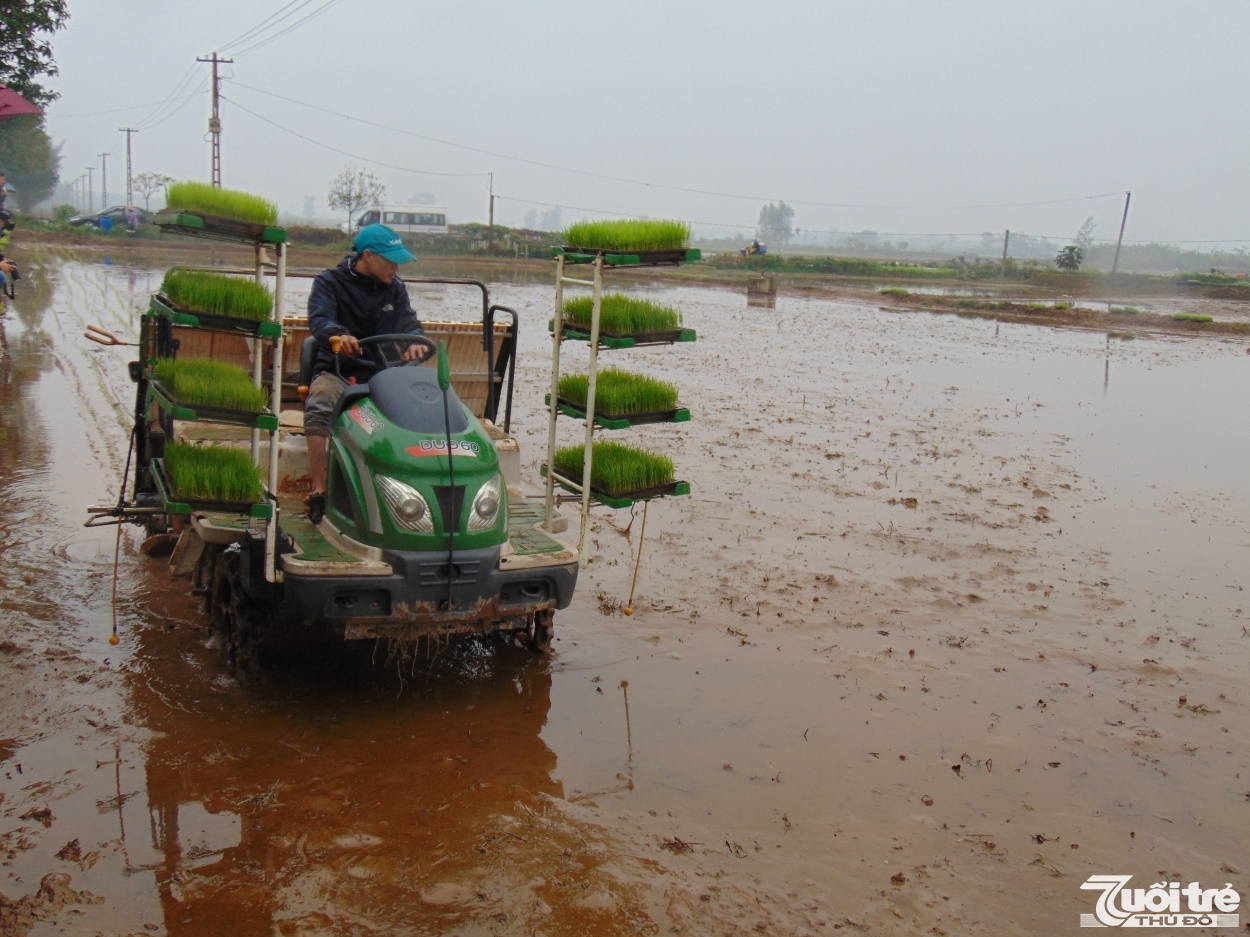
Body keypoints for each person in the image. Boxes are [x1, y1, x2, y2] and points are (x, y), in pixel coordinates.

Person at [303, 223, 430, 522]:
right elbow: (319, 319)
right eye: (390, 260)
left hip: (383, 375)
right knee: (320, 400)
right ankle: (319, 488)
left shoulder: (395, 289)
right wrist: (338, 335)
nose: (396, 267)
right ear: (368, 256)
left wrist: (412, 341)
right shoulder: (329, 283)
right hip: (338, 371)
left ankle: (409, 492)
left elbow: (409, 323)